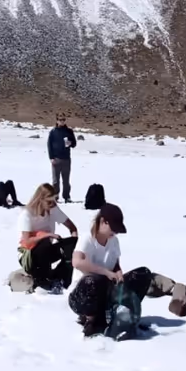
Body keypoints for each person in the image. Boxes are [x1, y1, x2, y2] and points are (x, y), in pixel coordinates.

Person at [68, 203, 153, 340]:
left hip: (106, 291)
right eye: (113, 228)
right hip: (82, 296)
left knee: (143, 274)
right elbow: (77, 262)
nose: (115, 232)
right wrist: (105, 272)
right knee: (93, 280)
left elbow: (115, 264)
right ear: (102, 222)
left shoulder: (114, 241)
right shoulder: (87, 239)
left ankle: (124, 312)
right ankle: (91, 320)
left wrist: (118, 273)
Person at [18, 183, 78, 290]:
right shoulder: (27, 214)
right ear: (40, 199)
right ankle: (42, 280)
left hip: (46, 252)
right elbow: (27, 242)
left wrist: (74, 243)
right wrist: (48, 235)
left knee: (71, 245)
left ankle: (63, 279)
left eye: (54, 200)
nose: (52, 204)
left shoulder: (52, 209)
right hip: (28, 256)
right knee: (44, 242)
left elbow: (72, 227)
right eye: (49, 201)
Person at [48, 113, 77, 202]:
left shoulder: (69, 131)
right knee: (55, 181)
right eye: (60, 120)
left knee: (66, 180)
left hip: (66, 159)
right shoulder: (53, 132)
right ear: (57, 121)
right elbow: (49, 145)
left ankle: (67, 196)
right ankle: (55, 196)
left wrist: (70, 143)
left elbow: (74, 144)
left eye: (63, 120)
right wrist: (51, 158)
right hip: (56, 159)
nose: (62, 121)